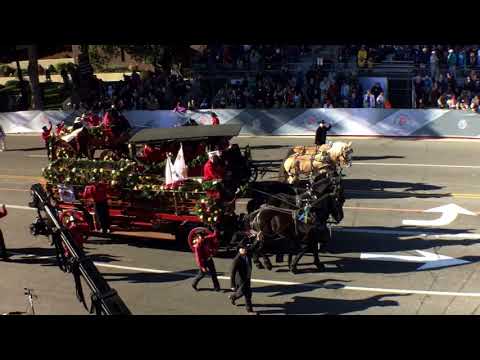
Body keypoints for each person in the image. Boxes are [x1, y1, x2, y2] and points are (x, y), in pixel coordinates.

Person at [229, 240, 256, 314]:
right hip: (241, 280)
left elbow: (253, 247)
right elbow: (232, 272)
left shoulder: (247, 253)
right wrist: (232, 285)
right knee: (248, 294)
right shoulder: (236, 260)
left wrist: (257, 239)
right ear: (239, 249)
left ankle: (233, 297)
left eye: (246, 248)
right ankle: (250, 310)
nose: (245, 250)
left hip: (247, 278)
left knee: (243, 293)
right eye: (243, 249)